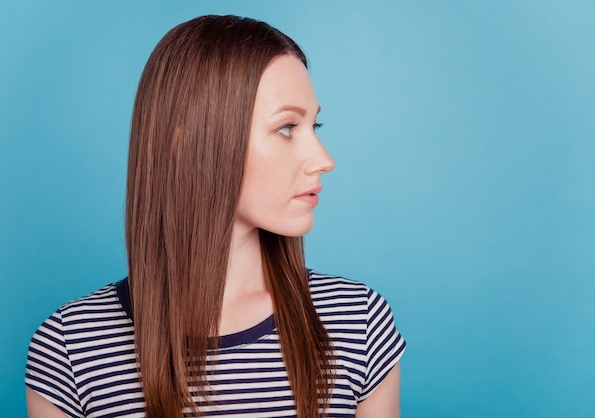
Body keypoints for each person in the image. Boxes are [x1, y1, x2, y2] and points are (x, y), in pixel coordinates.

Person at [25, 14, 406, 418]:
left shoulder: (357, 323)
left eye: (315, 125)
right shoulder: (70, 346)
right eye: (287, 128)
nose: (324, 160)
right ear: (187, 141)